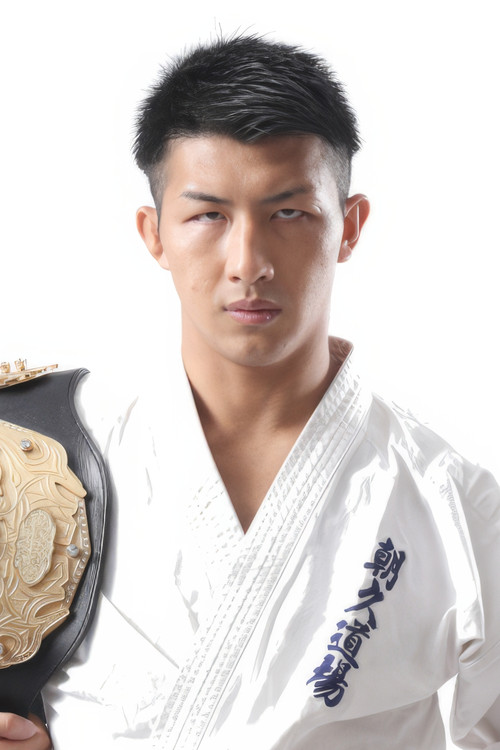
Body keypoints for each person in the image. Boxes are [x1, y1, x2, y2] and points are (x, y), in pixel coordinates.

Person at [1, 34, 499, 750]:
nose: (248, 262)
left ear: (350, 227)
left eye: (288, 213)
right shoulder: (32, 453)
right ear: (154, 233)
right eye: (208, 215)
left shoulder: (452, 502)